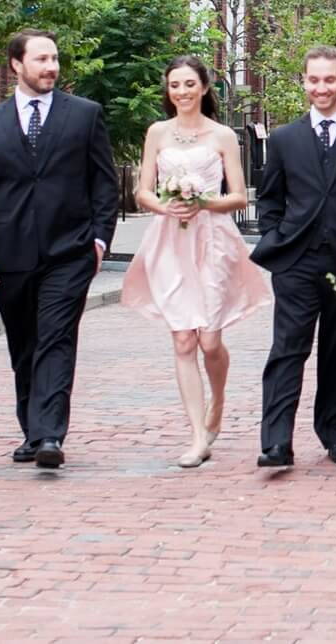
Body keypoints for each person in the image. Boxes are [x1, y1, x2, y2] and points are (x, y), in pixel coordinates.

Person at [0, 29, 119, 471]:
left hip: (70, 251)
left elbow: (104, 183)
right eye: (41, 60)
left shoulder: (85, 115)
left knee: (56, 339)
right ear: (16, 64)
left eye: (54, 58)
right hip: (9, 254)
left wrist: (99, 239)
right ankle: (32, 430)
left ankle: (49, 433)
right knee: (24, 344)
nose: (51, 67)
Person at [122, 56, 270, 468]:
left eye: (189, 84)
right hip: (171, 239)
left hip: (213, 237)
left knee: (209, 339)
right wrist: (165, 206)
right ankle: (197, 435)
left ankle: (218, 398)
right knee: (183, 337)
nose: (182, 92)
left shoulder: (222, 135)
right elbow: (143, 191)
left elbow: (239, 196)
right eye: (174, 85)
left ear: (204, 88)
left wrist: (203, 201)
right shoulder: (157, 133)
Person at [251, 46, 336, 469]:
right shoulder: (285, 139)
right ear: (304, 82)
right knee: (288, 349)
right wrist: (276, 237)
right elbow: (270, 198)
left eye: (329, 79)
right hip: (296, 260)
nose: (321, 87)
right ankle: (276, 441)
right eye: (313, 80)